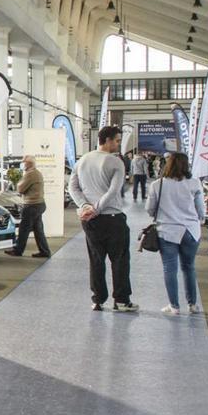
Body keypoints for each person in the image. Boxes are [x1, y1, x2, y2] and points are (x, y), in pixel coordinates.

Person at [69, 126, 138, 312]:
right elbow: (114, 191)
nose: (118, 144)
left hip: (90, 221)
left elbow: (72, 188)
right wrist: (96, 209)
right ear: (106, 140)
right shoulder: (115, 162)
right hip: (113, 218)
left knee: (96, 260)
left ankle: (98, 300)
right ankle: (122, 301)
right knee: (120, 260)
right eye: (116, 140)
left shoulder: (82, 160)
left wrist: (85, 207)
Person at [147, 152, 205, 316]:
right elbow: (201, 210)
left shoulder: (158, 185)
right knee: (189, 267)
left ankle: (174, 306)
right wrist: (195, 219)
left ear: (168, 164)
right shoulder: (194, 184)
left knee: (169, 269)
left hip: (167, 231)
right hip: (190, 231)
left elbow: (150, 209)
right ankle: (192, 304)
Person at [5, 155, 51, 258]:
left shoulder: (30, 174)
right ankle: (45, 251)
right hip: (39, 204)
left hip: (32, 205)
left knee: (23, 229)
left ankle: (18, 250)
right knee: (38, 230)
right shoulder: (37, 173)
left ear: (28, 164)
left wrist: (18, 182)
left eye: (24, 162)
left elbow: (20, 189)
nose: (22, 164)